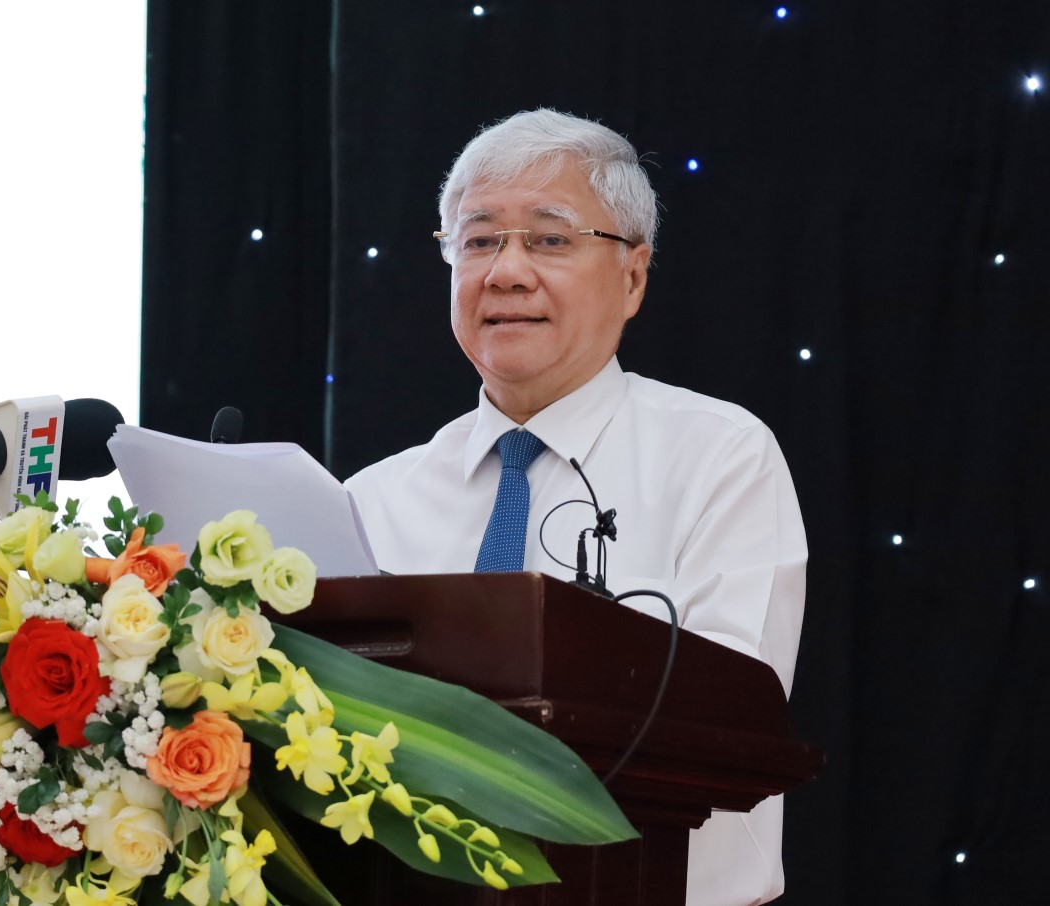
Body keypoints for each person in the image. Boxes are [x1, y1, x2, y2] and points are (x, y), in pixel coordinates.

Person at [344, 108, 807, 906]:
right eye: (479, 240)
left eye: (550, 239)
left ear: (632, 277)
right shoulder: (370, 498)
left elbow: (736, 715)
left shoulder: (720, 455)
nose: (507, 272)